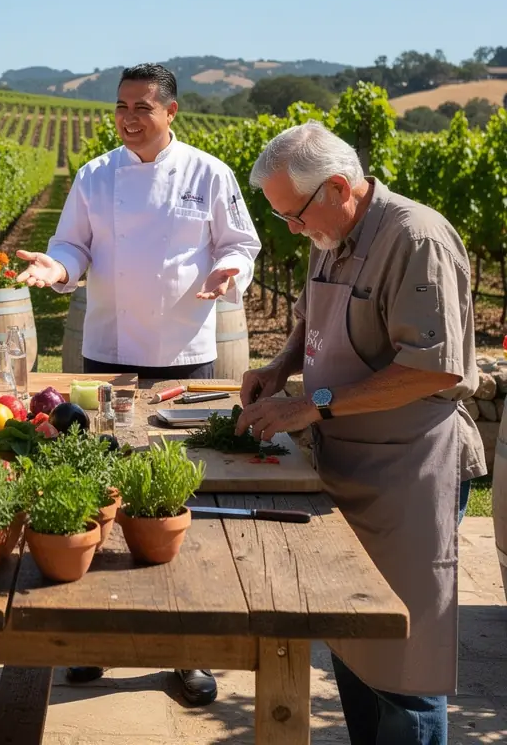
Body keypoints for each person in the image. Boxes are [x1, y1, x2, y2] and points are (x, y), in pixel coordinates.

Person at [15, 62, 261, 704]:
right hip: (108, 357)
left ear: (171, 112)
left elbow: (241, 243)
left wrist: (230, 272)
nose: (128, 117)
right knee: (102, 495)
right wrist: (57, 269)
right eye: (121, 106)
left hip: (184, 357)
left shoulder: (209, 173)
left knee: (174, 503)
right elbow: (73, 247)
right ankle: (94, 642)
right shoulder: (95, 176)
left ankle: (185, 649)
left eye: (142, 107)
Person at [236, 121, 480, 745]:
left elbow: (434, 369)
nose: (293, 230)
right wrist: (279, 367)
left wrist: (312, 405)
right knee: (352, 640)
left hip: (409, 471)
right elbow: (310, 319)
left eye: (294, 215)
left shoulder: (415, 238)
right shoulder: (331, 230)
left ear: (339, 188)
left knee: (404, 666)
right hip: (347, 464)